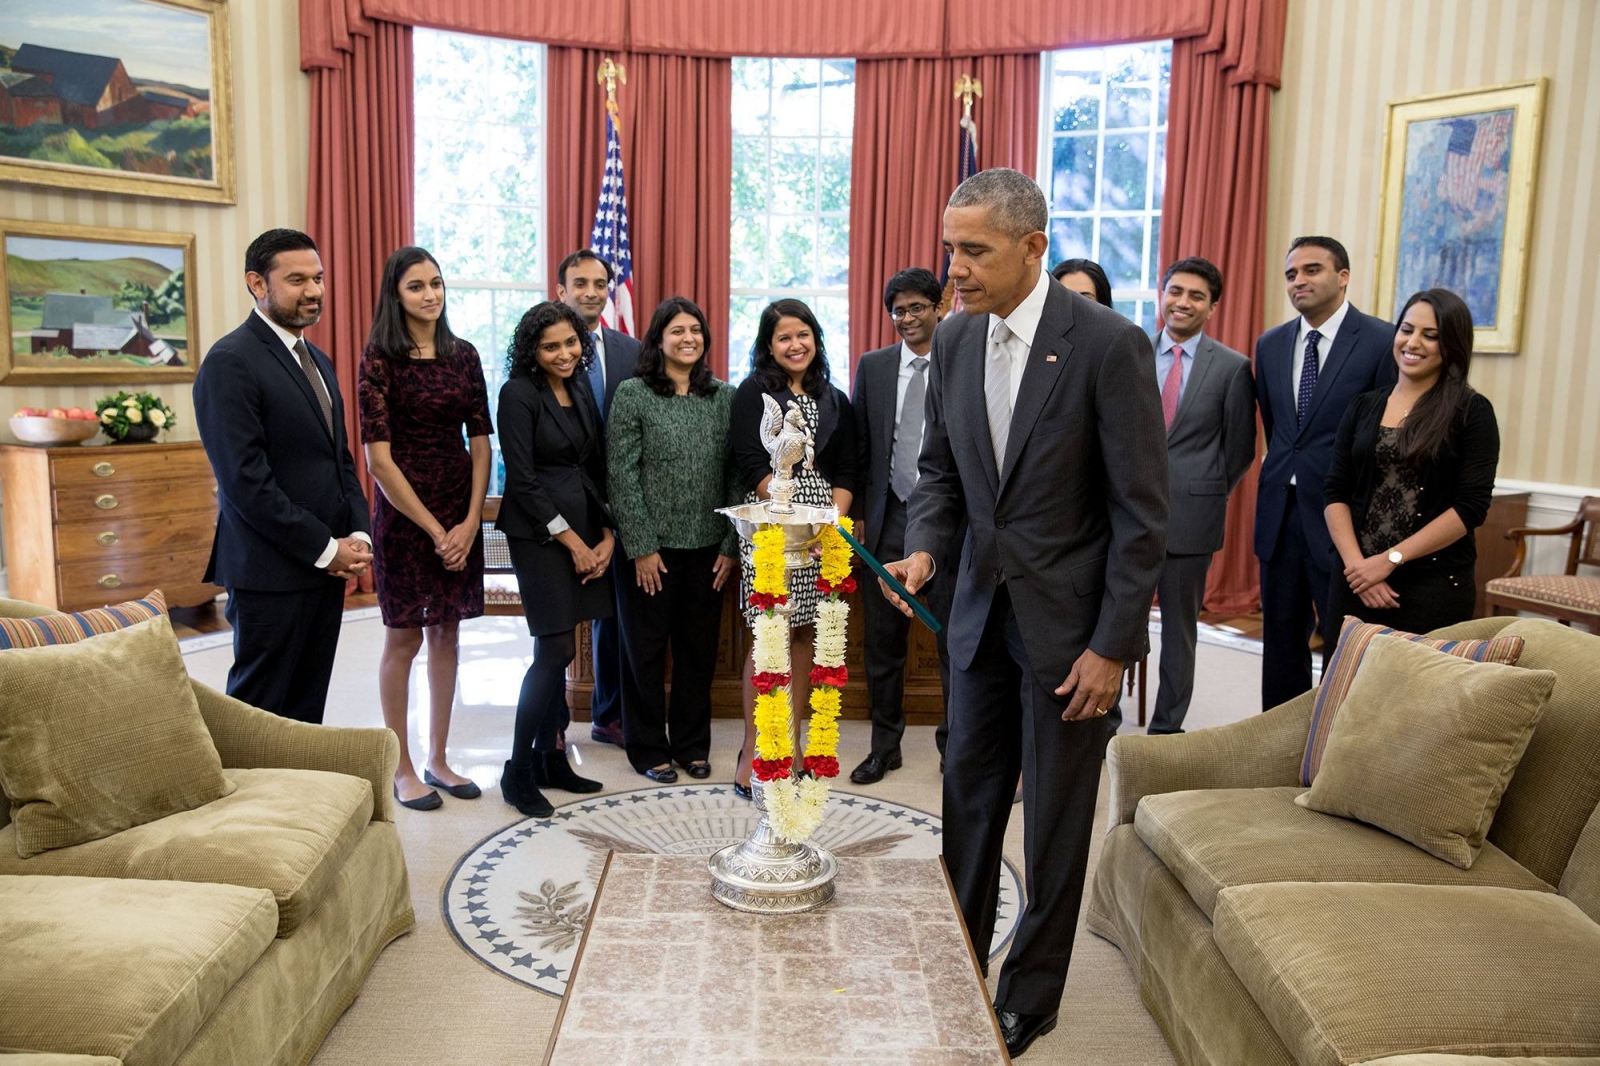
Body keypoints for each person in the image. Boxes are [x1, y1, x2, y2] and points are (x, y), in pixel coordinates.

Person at [881, 169, 1167, 1057]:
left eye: (974, 249)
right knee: (967, 800)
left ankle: (1032, 995)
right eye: (949, 246)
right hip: (975, 623)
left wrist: (1113, 648)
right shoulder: (957, 344)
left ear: (1032, 247)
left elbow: (1141, 515)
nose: (952, 269)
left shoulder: (1108, 345)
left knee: (1051, 821)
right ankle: (958, 959)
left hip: (1071, 635)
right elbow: (940, 476)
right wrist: (927, 546)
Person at [194, 228, 372, 725]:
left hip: (326, 565)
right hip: (269, 570)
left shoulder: (318, 359)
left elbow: (339, 460)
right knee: (259, 713)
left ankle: (300, 802)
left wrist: (356, 534)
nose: (314, 290)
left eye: (317, 277)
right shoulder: (230, 362)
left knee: (307, 707)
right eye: (296, 279)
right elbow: (245, 483)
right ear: (257, 283)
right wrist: (324, 546)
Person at [359, 246, 492, 810]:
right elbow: (378, 461)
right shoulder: (378, 361)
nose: (430, 294)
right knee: (404, 636)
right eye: (416, 286)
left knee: (448, 632)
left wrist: (467, 521)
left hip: (458, 506)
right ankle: (402, 766)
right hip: (405, 513)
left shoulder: (464, 355)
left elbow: (482, 442)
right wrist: (437, 530)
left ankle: (438, 758)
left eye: (436, 283)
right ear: (397, 294)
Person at [1254, 236, 1397, 711]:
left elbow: (1384, 439)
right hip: (1279, 515)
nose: (1299, 281)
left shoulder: (1380, 341)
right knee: (1280, 644)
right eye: (1292, 273)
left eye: (1312, 270)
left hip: (1343, 520)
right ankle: (1278, 743)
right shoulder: (1271, 344)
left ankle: (1334, 747)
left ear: (1343, 276)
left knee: (1343, 646)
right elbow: (1280, 431)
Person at [728, 298, 858, 800]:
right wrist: (795, 508)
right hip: (772, 530)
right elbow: (747, 463)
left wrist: (829, 518)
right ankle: (754, 750)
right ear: (768, 345)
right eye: (783, 337)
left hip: (822, 533)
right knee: (768, 636)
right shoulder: (753, 395)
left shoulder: (835, 399)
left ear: (815, 339)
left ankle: (796, 746)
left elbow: (847, 469)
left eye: (803, 334)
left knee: (805, 634)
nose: (795, 344)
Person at [606, 297, 739, 784]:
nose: (689, 339)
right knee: (643, 652)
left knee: (697, 653)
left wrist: (729, 545)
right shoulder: (634, 394)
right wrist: (640, 546)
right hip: (649, 552)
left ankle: (690, 746)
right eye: (677, 331)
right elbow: (620, 474)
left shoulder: (724, 396)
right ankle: (646, 747)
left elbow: (736, 476)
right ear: (658, 339)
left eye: (696, 331)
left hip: (708, 551)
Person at [1324, 288, 1499, 637]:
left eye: (1430, 335)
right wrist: (1359, 568)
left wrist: (1387, 561)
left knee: (1416, 691)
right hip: (1356, 581)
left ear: (1451, 344)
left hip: (1430, 587)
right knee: (1344, 689)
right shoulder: (1363, 406)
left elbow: (1470, 508)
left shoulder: (1472, 412)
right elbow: (1335, 491)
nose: (1413, 342)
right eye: (1407, 329)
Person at [495, 301, 612, 817]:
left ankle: (552, 757)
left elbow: (595, 464)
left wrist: (607, 533)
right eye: (551, 347)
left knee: (565, 648)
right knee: (555, 648)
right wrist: (574, 543)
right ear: (532, 351)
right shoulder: (517, 394)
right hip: (539, 534)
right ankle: (517, 769)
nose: (564, 353)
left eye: (570, 343)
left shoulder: (581, 386)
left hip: (586, 523)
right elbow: (520, 480)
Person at [849, 267, 956, 783]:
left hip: (950, 525)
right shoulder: (873, 367)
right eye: (899, 310)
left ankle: (953, 747)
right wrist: (863, 517)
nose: (908, 318)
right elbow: (862, 447)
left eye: (917, 307)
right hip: (888, 519)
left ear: (939, 307)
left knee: (954, 640)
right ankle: (884, 746)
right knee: (883, 642)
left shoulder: (963, 357)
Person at [1144, 256, 1256, 736]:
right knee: (1114, 622)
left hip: (1192, 519)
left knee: (1179, 632)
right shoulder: (1130, 352)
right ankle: (1102, 720)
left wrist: (1203, 489)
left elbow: (1240, 451)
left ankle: (1167, 727)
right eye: (1176, 292)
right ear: (1162, 295)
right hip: (1124, 516)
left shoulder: (1233, 368)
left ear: (1212, 307)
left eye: (1196, 296)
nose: (1183, 302)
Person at [556, 248, 640, 749]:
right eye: (580, 283)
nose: (591, 292)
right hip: (562, 501)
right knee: (558, 617)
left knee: (615, 613)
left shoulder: (631, 351)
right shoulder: (546, 347)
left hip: (618, 501)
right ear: (562, 290)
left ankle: (609, 714)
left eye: (600, 282)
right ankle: (552, 723)